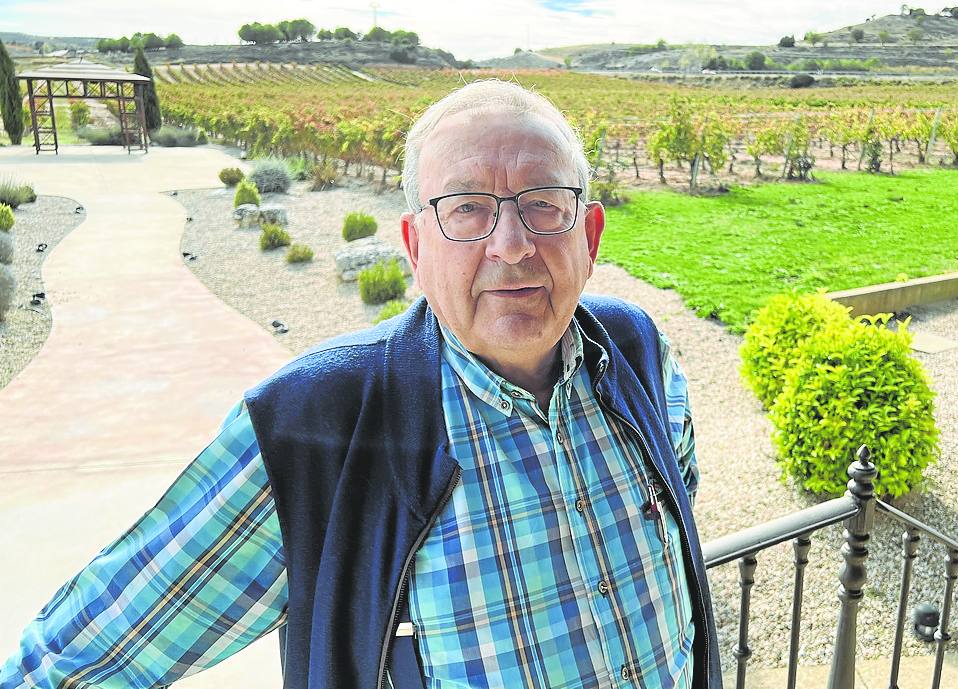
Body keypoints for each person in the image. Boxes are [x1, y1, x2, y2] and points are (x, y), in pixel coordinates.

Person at [0, 80, 722, 689]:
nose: (512, 243)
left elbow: (678, 492)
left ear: (589, 235)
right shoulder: (312, 430)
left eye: (544, 202)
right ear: (414, 246)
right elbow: (71, 663)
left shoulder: (637, 353)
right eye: (466, 207)